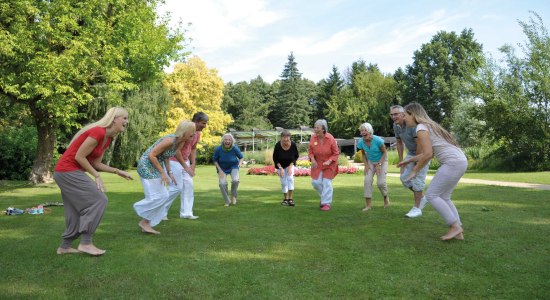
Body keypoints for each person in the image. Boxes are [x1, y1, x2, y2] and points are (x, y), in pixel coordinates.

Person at [53, 107, 133, 256]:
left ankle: (64, 247)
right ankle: (86, 243)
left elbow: (96, 163)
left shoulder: (107, 139)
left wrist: (117, 171)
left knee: (75, 210)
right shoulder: (98, 132)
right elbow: (79, 157)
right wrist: (96, 176)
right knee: (99, 199)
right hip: (67, 171)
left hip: (66, 172)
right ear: (114, 118)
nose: (127, 122)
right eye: (125, 118)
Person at [398, 102, 467, 240]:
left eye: (405, 115)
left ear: (413, 114)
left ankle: (454, 226)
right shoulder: (429, 126)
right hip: (460, 161)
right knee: (444, 197)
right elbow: (428, 153)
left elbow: (428, 154)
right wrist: (409, 161)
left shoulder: (421, 128)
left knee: (431, 195)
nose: (404, 119)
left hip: (452, 163)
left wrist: (415, 171)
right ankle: (458, 231)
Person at [133, 121, 196, 235]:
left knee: (164, 195)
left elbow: (172, 154)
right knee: (158, 196)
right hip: (146, 165)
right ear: (185, 131)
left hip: (156, 165)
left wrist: (175, 170)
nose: (194, 133)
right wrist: (163, 173)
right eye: (192, 131)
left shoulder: (180, 142)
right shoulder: (170, 140)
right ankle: (142, 213)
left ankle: (145, 222)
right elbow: (151, 155)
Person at [163, 112, 209, 220]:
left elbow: (193, 148)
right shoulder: (187, 131)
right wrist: (186, 166)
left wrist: (193, 164)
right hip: (174, 161)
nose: (205, 126)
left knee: (188, 186)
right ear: (196, 121)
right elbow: (176, 151)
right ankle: (160, 211)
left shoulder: (197, 134)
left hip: (185, 161)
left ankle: (186, 213)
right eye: (203, 123)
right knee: (176, 188)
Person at [390, 105, 430, 218]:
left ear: (403, 114)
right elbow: (399, 142)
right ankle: (422, 197)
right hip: (411, 154)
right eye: (392, 114)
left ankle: (417, 208)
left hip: (423, 153)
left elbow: (420, 144)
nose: (393, 116)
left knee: (417, 181)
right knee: (404, 178)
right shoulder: (396, 126)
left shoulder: (413, 126)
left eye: (396, 114)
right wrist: (402, 161)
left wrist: (417, 164)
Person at [356, 122, 389, 211]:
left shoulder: (378, 140)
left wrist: (379, 164)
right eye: (362, 130)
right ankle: (368, 206)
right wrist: (366, 165)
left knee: (380, 183)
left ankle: (386, 197)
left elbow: (384, 152)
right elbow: (363, 153)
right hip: (370, 161)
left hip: (382, 161)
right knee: (367, 181)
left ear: (370, 131)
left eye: (365, 130)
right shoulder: (361, 141)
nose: (363, 132)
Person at [308, 119, 340, 211]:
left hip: (329, 165)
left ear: (323, 129)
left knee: (327, 183)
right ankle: (324, 198)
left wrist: (329, 161)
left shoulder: (330, 138)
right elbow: (310, 151)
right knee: (315, 183)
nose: (315, 129)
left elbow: (336, 153)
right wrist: (313, 159)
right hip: (317, 164)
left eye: (317, 127)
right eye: (315, 127)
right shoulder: (313, 138)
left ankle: (326, 203)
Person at [213, 133, 244, 207]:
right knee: (222, 184)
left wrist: (239, 164)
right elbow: (215, 160)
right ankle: (227, 201)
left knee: (235, 180)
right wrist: (220, 170)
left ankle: (233, 196)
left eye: (229, 140)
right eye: (226, 140)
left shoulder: (234, 148)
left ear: (232, 141)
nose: (227, 141)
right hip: (222, 168)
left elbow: (241, 157)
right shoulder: (219, 149)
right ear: (223, 141)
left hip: (233, 167)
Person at [272, 129, 299, 206]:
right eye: (284, 137)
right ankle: (285, 199)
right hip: (280, 165)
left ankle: (290, 199)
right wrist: (280, 168)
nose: (286, 139)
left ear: (290, 137)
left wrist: (291, 166)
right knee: (284, 182)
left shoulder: (293, 145)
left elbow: (296, 156)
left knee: (290, 179)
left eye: (288, 137)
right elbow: (275, 158)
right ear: (281, 138)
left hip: (290, 164)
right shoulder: (277, 145)